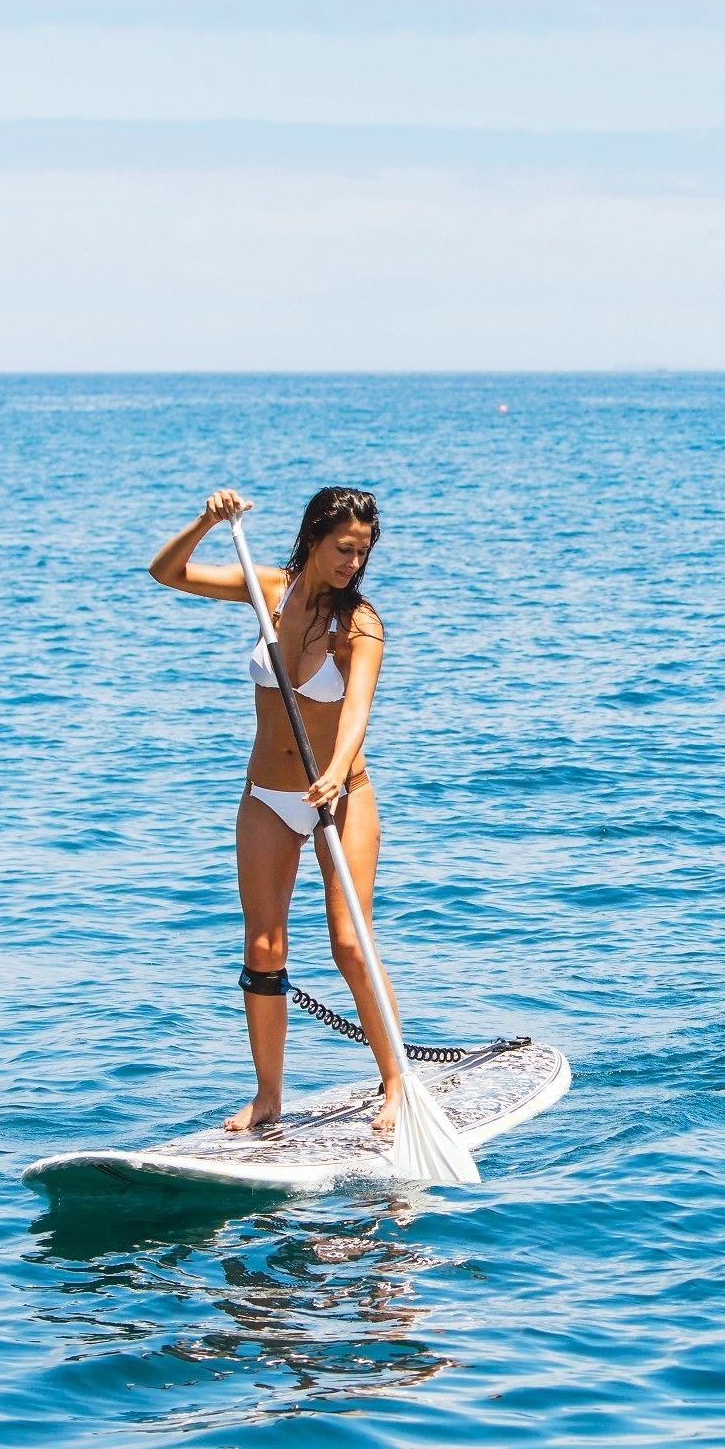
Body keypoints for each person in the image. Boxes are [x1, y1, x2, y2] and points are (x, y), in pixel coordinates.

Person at [146, 485, 405, 1139]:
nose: (353, 563)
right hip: (266, 795)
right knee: (263, 947)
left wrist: (336, 769)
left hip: (341, 797)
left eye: (363, 552)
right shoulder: (270, 590)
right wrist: (206, 522)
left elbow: (356, 715)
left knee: (349, 944)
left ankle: (397, 1083)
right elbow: (167, 572)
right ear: (314, 539)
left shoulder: (361, 624)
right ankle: (268, 1097)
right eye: (344, 549)